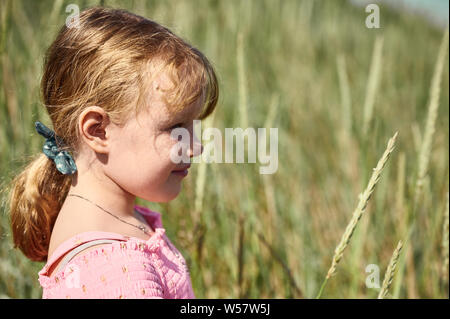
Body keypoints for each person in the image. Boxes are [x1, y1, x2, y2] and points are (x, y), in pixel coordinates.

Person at [7, 6, 218, 299]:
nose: (196, 146)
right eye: (175, 128)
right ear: (98, 131)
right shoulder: (118, 272)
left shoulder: (116, 224)